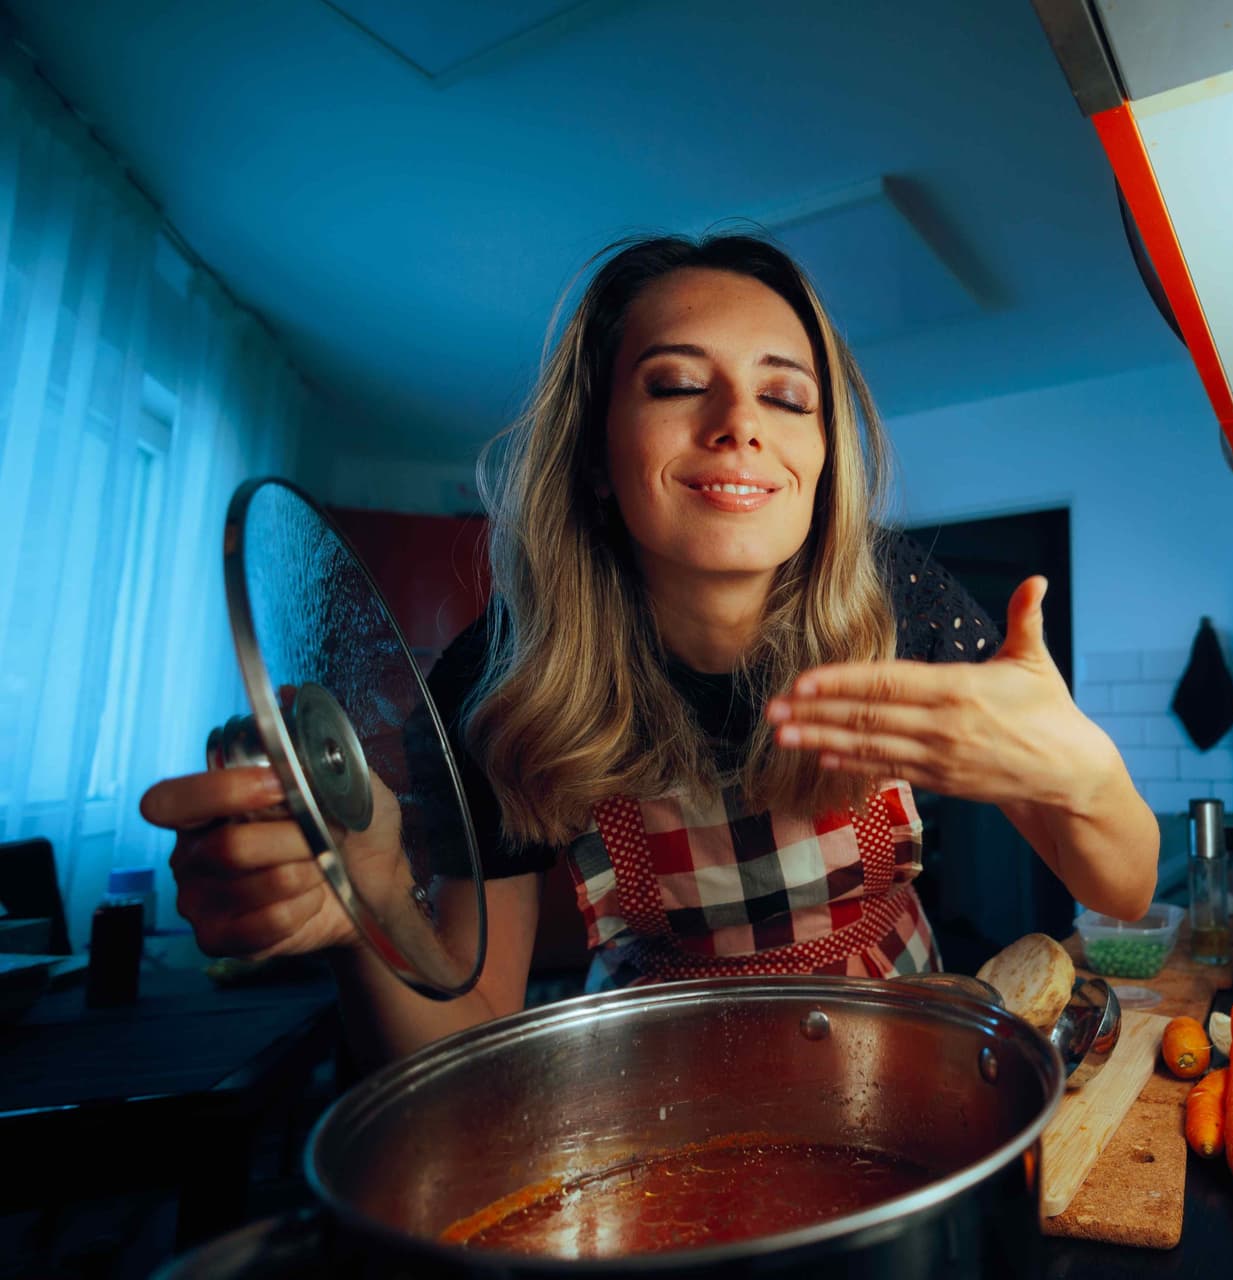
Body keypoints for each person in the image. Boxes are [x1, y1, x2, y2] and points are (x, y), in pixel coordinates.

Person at [141, 234, 1159, 1066]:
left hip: (901, 1075)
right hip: (654, 1110)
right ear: (594, 453)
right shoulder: (497, 685)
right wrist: (357, 916)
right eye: (676, 384)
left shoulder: (904, 608)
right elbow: (462, 1039)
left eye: (787, 396)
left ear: (823, 459)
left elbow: (1123, 891)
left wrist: (1084, 774)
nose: (740, 424)